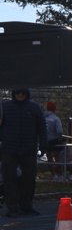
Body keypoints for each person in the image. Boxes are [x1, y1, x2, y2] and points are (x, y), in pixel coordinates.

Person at [0, 86, 46, 217]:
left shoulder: (34, 107)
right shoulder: (4, 107)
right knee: (9, 179)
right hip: (9, 148)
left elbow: (42, 127)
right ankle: (12, 207)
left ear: (27, 94)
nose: (20, 95)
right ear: (13, 93)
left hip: (29, 148)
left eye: (23, 93)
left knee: (29, 179)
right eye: (17, 92)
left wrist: (43, 145)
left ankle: (26, 206)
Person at [43, 102, 69, 181]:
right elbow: (59, 131)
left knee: (49, 158)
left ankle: (53, 175)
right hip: (54, 140)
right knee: (57, 158)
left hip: (46, 140)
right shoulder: (56, 119)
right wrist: (59, 139)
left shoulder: (43, 118)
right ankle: (60, 175)